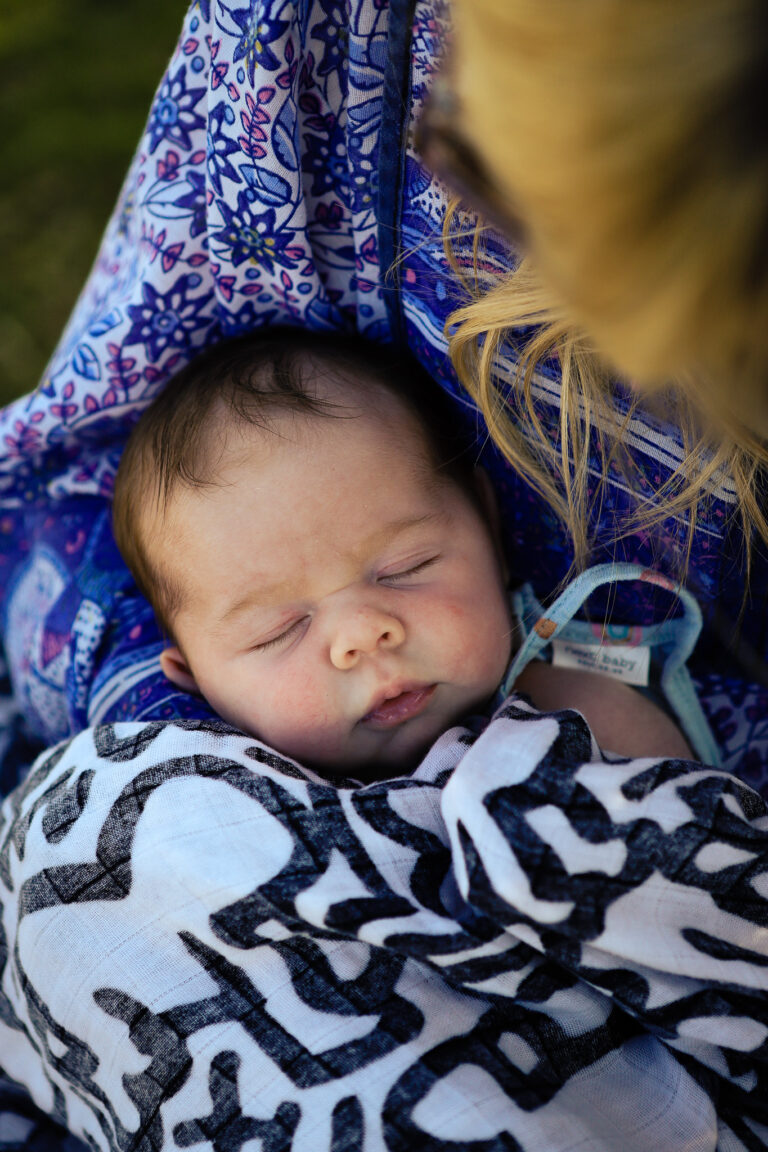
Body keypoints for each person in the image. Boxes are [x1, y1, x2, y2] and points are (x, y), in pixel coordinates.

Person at [112, 327, 693, 775]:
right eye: (279, 629)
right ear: (194, 681)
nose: (363, 634)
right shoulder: (205, 791)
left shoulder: (582, 722)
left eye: (406, 568)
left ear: (486, 526)